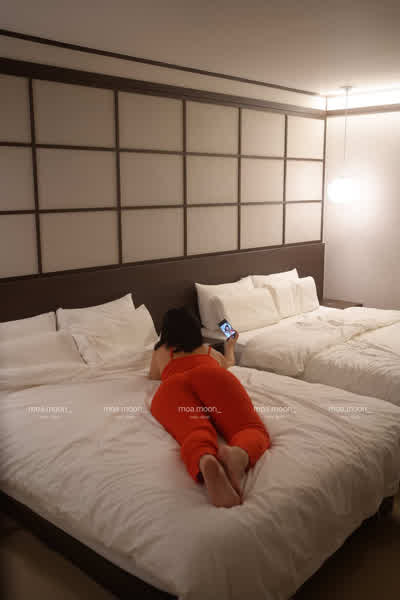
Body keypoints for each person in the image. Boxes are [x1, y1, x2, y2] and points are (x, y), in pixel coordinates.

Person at [149, 307, 270, 508]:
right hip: (211, 375)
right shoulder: (209, 351)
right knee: (247, 427)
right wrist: (230, 346)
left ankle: (204, 459)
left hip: (172, 386)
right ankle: (239, 455)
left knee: (193, 432)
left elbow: (153, 376)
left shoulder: (160, 351)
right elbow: (228, 363)